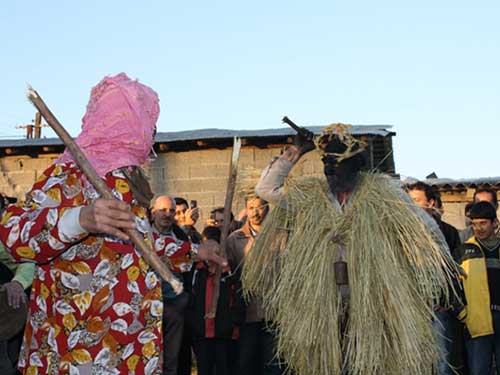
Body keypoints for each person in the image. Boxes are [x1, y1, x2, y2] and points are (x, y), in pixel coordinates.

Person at [0, 73, 225, 375]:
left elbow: (138, 243)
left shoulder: (124, 181)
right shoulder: (71, 174)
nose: (152, 131)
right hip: (77, 351)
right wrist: (79, 219)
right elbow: (14, 234)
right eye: (146, 120)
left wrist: (196, 251)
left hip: (129, 347)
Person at [244, 123, 460, 375]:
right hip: (322, 298)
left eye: (336, 167)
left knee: (372, 361)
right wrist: (296, 150)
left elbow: (426, 228)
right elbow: (266, 189)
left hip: (372, 297)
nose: (329, 173)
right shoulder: (313, 195)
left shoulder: (382, 194)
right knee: (327, 361)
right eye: (326, 167)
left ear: (355, 165)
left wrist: (445, 268)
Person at [407, 181, 464, 374]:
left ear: (430, 203)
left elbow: (456, 269)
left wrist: (447, 300)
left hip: (439, 308)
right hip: (413, 308)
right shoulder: (403, 232)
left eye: (416, 200)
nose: (411, 205)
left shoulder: (448, 232)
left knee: (442, 361)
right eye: (409, 200)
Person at [225, 194, 284, 375]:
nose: (255, 212)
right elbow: (230, 273)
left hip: (275, 310)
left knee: (274, 363)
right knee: (246, 361)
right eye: (251, 208)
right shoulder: (235, 239)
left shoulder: (281, 235)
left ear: (267, 208)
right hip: (247, 310)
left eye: (259, 207)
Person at [190, 226, 244, 375]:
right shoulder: (197, 270)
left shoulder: (230, 270)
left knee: (225, 369)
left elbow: (239, 297)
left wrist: (234, 322)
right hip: (202, 332)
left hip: (225, 333)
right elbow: (191, 298)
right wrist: (194, 324)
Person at [457, 201, 500, 375]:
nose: (478, 228)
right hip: (477, 322)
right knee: (479, 371)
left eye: (483, 223)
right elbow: (453, 286)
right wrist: (464, 314)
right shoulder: (463, 251)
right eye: (474, 224)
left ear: (495, 223)